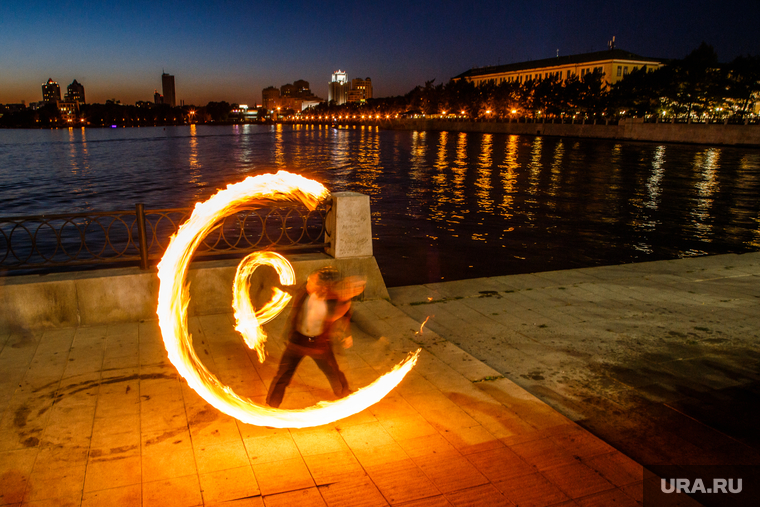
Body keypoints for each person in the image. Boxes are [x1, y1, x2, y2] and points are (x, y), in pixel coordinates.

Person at [266, 267, 365, 408]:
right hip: (297, 342)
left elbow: (344, 313)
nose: (308, 283)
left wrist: (346, 334)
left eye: (311, 281)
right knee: (282, 376)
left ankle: (344, 395)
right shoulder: (304, 291)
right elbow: (294, 314)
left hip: (319, 345)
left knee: (333, 372)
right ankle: (271, 408)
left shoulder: (334, 300)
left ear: (323, 287)